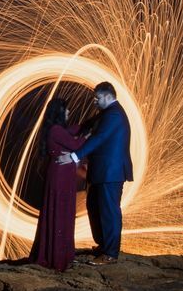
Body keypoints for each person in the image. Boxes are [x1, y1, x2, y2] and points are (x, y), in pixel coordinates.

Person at [56, 81, 132, 264]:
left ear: (108, 96)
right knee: (94, 208)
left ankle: (110, 254)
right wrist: (56, 129)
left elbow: (99, 138)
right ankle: (104, 246)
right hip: (100, 172)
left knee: (108, 212)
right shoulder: (104, 114)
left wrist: (74, 157)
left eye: (97, 98)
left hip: (110, 173)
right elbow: (85, 127)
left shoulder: (114, 115)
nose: (94, 101)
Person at [27, 97, 86, 271]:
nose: (69, 112)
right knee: (60, 212)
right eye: (66, 109)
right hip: (60, 177)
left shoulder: (58, 130)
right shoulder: (56, 130)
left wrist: (86, 126)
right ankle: (57, 257)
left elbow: (72, 131)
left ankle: (60, 254)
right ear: (59, 112)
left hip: (63, 176)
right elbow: (75, 143)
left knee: (63, 212)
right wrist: (88, 136)